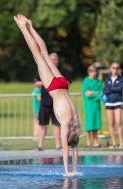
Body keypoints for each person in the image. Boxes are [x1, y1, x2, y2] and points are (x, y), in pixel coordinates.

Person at [14, 14, 80, 176]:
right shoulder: (66, 124)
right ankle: (24, 28)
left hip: (63, 84)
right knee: (37, 55)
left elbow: (75, 150)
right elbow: (67, 150)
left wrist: (75, 170)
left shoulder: (77, 126)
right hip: (54, 87)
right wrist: (68, 172)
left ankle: (30, 25)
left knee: (44, 52)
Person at [34, 52, 72, 151]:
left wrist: (57, 83)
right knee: (42, 124)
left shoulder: (62, 71)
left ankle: (58, 145)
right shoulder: (44, 71)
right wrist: (48, 82)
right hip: (45, 102)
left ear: (58, 61)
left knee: (57, 124)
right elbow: (36, 83)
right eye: (52, 59)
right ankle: (40, 145)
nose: (53, 61)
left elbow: (68, 83)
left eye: (55, 59)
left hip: (57, 103)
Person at [82, 65, 103, 148]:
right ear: (89, 72)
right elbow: (86, 94)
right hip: (89, 105)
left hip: (96, 105)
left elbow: (101, 93)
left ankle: (95, 142)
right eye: (92, 72)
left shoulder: (99, 81)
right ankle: (88, 142)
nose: (94, 73)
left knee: (96, 123)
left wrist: (93, 93)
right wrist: (96, 93)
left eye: (95, 72)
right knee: (89, 124)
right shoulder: (86, 81)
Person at [103, 62, 123, 148]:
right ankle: (114, 142)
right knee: (111, 123)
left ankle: (121, 143)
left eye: (117, 68)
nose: (115, 69)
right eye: (114, 68)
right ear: (111, 68)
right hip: (109, 102)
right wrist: (111, 89)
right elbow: (105, 90)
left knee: (118, 122)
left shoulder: (121, 78)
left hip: (118, 101)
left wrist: (110, 89)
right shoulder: (107, 79)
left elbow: (119, 89)